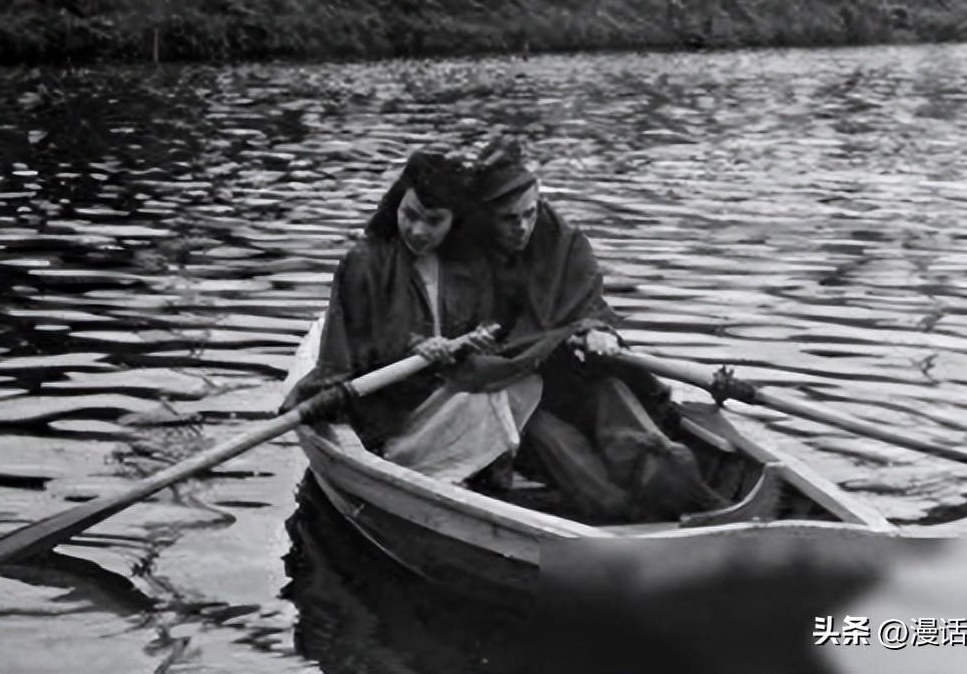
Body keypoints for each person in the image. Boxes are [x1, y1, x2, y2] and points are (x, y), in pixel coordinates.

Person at [469, 137, 731, 523]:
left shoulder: (564, 241)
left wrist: (596, 329)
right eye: (510, 219)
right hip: (509, 395)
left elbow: (589, 305)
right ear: (488, 216)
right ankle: (621, 518)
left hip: (568, 376)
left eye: (531, 213)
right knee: (562, 451)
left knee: (616, 397)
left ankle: (680, 486)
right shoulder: (465, 257)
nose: (523, 227)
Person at [288, 149, 541, 486]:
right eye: (410, 214)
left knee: (521, 383)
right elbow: (356, 353)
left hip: (442, 393)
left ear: (454, 220)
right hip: (387, 410)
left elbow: (481, 333)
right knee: (489, 397)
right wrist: (416, 348)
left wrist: (476, 340)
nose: (418, 230)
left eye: (434, 220)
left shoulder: (469, 265)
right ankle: (473, 482)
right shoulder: (365, 262)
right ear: (397, 205)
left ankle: (467, 475)